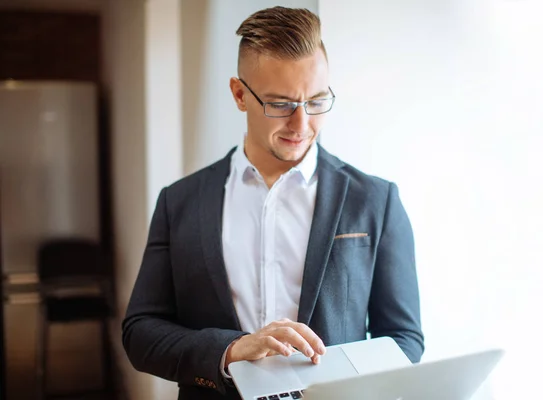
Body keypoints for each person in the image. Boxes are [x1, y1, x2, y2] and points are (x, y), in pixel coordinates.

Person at [122, 6, 424, 400]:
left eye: (316, 101)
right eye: (280, 104)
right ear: (238, 94)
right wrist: (229, 352)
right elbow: (141, 332)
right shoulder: (179, 202)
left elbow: (404, 339)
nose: (301, 125)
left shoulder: (376, 200)